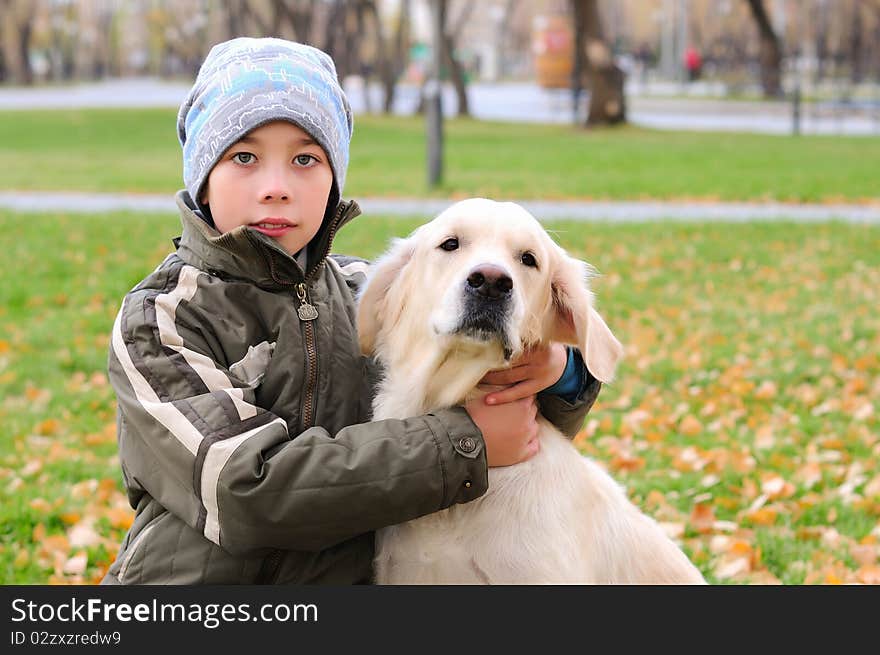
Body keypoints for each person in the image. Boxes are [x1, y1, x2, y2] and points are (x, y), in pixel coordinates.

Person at [101, 37, 603, 584]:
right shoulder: (161, 321)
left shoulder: (366, 290)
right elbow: (245, 490)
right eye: (243, 156)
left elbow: (513, 414)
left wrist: (558, 371)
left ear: (334, 179)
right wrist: (467, 447)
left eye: (305, 159)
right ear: (201, 172)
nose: (276, 188)